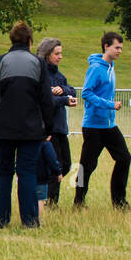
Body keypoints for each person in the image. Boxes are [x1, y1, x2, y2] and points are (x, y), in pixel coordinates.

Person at [0, 21, 54, 228]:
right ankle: (30, 221)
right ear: (30, 41)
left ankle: (0, 219)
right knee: (27, 173)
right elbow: (46, 100)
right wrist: (47, 128)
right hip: (31, 129)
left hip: (3, 128)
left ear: (11, 39)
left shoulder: (0, 62)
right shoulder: (38, 64)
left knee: (3, 172)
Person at [73, 31, 131, 210]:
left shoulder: (110, 67)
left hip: (108, 125)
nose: (119, 51)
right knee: (86, 165)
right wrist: (109, 105)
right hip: (93, 126)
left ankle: (119, 201)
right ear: (106, 46)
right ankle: (78, 201)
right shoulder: (96, 68)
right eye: (117, 47)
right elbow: (86, 93)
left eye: (121, 48)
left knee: (124, 158)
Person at [37, 38, 77, 206]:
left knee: (66, 164)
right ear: (47, 54)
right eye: (56, 53)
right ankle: (51, 203)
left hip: (61, 128)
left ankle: (48, 197)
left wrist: (64, 91)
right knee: (56, 165)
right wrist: (64, 100)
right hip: (48, 128)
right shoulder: (41, 74)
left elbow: (72, 90)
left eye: (61, 53)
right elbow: (46, 101)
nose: (60, 57)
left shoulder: (58, 75)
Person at [34, 139, 64, 220]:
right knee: (39, 199)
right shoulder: (46, 144)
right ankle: (37, 220)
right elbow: (52, 160)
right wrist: (58, 172)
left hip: (25, 174)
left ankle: (26, 218)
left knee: (27, 197)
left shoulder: (25, 142)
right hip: (41, 176)